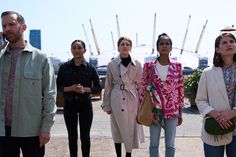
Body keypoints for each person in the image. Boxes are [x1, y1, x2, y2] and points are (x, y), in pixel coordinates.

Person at [0, 11, 57, 157]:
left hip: (32, 131)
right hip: (3, 132)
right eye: (4, 26)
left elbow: (50, 95)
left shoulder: (41, 58)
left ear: (23, 27)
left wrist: (46, 128)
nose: (7, 29)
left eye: (11, 24)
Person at [138, 33, 184, 157]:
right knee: (153, 143)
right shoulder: (149, 66)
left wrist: (180, 111)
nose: (164, 46)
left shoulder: (177, 66)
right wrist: (141, 109)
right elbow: (143, 88)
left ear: (171, 47)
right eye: (161, 44)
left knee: (170, 143)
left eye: (167, 43)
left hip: (172, 109)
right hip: (154, 109)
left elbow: (180, 89)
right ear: (157, 48)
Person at [56, 39, 102, 157]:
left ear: (84, 50)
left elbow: (98, 87)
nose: (77, 50)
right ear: (71, 50)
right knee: (72, 137)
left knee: (85, 137)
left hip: (85, 105)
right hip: (69, 105)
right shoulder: (64, 67)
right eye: (74, 48)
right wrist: (71, 88)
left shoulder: (90, 68)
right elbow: (58, 86)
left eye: (79, 48)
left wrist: (85, 90)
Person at [101, 36, 144, 157]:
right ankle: (118, 154)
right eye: (122, 44)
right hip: (117, 97)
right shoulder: (111, 64)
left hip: (132, 97)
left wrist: (142, 104)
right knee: (117, 127)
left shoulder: (137, 64)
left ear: (130, 47)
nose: (125, 46)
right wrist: (107, 104)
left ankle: (128, 155)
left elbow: (141, 85)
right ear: (118, 47)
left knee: (130, 127)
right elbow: (108, 85)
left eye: (127, 44)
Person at [195, 33, 236, 157]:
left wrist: (232, 113)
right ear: (217, 49)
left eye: (232, 41)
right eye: (224, 42)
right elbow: (200, 100)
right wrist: (216, 115)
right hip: (215, 126)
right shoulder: (207, 73)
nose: (229, 44)